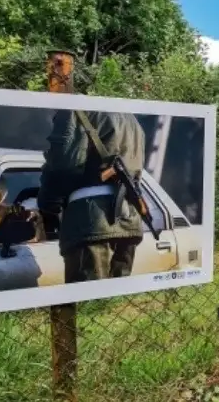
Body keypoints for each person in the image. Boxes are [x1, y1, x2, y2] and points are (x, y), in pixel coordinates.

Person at [37, 109, 146, 283]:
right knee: (114, 296)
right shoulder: (129, 115)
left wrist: (47, 204)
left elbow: (63, 165)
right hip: (129, 220)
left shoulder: (74, 108)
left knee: (87, 296)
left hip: (91, 222)